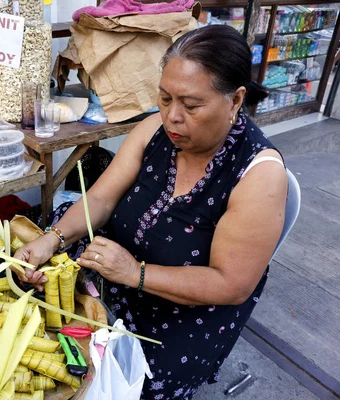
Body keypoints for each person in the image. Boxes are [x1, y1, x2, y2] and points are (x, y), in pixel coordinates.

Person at [14, 25, 288, 399]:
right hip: (115, 270)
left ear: (236, 100)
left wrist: (135, 273)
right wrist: (53, 239)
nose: (172, 117)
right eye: (164, 98)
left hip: (184, 313)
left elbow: (231, 284)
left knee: (126, 379)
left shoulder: (259, 176)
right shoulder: (154, 129)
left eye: (191, 105)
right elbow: (101, 199)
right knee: (30, 298)